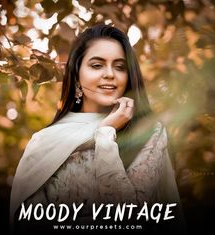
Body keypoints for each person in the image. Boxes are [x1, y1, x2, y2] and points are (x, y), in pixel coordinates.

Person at [10, 23, 186, 234]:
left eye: (120, 67)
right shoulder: (45, 141)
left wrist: (105, 135)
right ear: (76, 75)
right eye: (97, 65)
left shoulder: (148, 133)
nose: (110, 74)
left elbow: (131, 215)